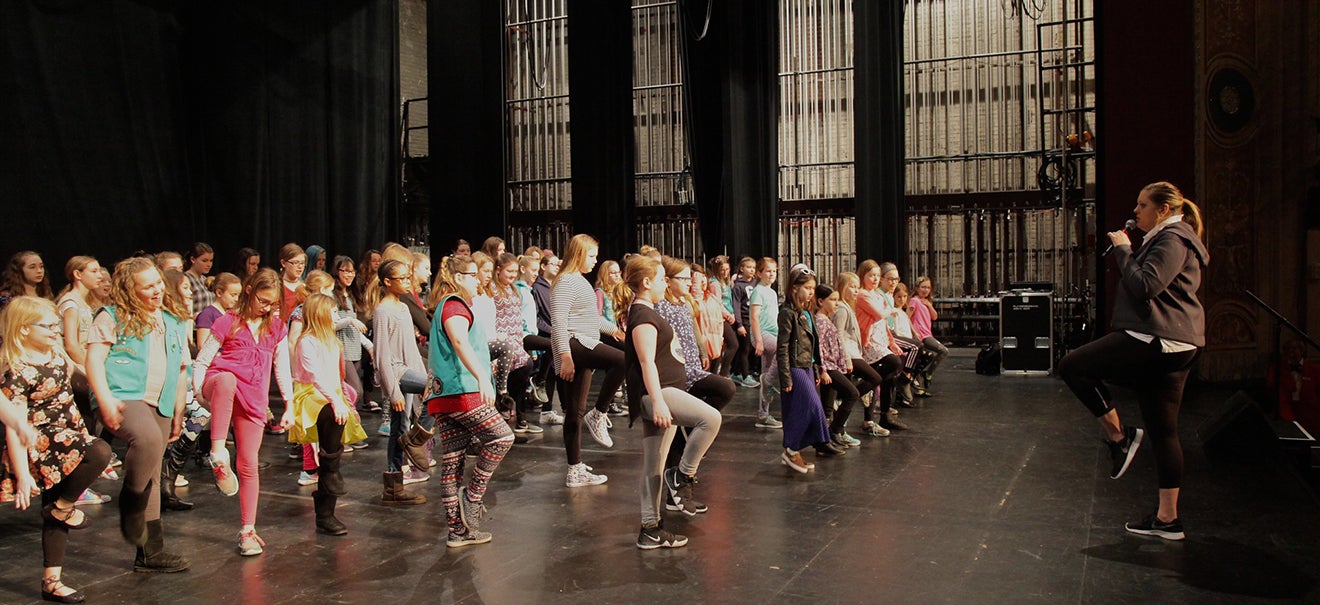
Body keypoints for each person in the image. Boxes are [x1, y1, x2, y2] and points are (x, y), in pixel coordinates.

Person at [1057, 181, 1209, 541]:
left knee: (1073, 366)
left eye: (1143, 205)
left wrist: (1124, 251)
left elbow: (1145, 286)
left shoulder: (1173, 239)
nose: (1136, 211)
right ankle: (1168, 520)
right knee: (1163, 430)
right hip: (1172, 341)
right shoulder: (1169, 238)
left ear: (1164, 210)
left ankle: (1120, 437)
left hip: (1156, 337)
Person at [1, 296, 113, 603]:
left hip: (69, 432)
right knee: (100, 451)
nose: (55, 331)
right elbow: (14, 425)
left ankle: (51, 581)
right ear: (24, 329)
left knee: (56, 511)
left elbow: (80, 375)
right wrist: (23, 474)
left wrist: (107, 390)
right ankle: (63, 507)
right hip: (43, 441)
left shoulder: (54, 352)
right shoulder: (17, 370)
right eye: (48, 326)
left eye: (56, 325)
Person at [85, 256, 190, 572]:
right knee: (146, 440)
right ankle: (130, 502)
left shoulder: (172, 319)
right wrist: (105, 400)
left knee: (153, 470)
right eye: (147, 287)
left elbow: (181, 368)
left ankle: (150, 552)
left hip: (161, 400)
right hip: (124, 395)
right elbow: (94, 360)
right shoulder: (112, 316)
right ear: (130, 289)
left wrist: (179, 409)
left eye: (158, 283)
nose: (157, 290)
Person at [615, 255, 721, 549]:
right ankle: (683, 474)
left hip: (663, 391)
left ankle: (650, 528)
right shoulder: (642, 316)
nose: (665, 284)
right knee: (710, 419)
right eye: (662, 279)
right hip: (659, 393)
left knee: (654, 465)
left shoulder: (648, 311)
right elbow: (646, 362)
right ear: (647, 282)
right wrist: (659, 402)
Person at [192, 268, 295, 555]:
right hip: (220, 384)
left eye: (272, 304)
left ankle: (248, 530)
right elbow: (203, 360)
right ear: (249, 291)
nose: (267, 308)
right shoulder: (228, 321)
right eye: (263, 301)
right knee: (227, 379)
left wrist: (289, 404)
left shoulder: (276, 328)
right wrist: (199, 391)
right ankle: (217, 453)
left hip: (252, 397)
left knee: (249, 462)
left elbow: (281, 368)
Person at [424, 255, 515, 547]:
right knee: (502, 437)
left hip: (444, 395)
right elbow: (459, 341)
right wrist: (481, 377)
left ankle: (458, 531)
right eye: (473, 275)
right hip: (461, 391)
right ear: (458, 278)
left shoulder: (448, 305)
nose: (479, 280)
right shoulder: (454, 305)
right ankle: (473, 497)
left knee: (453, 460)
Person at [550, 234, 626, 487]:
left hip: (582, 341)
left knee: (574, 411)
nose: (595, 261)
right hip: (574, 342)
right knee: (622, 361)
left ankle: (575, 469)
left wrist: (615, 331)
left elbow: (591, 318)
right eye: (592, 256)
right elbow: (559, 322)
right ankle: (600, 412)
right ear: (579, 254)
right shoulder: (566, 281)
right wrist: (565, 355)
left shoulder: (579, 281)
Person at [289, 294, 367, 536]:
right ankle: (330, 472)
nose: (336, 317)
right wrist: (335, 401)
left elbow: (337, 377)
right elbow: (314, 376)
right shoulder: (307, 341)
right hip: (310, 395)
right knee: (332, 416)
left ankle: (326, 508)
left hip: (331, 393)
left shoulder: (333, 341)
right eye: (333, 313)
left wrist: (346, 402)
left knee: (333, 437)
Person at [776, 265, 843, 472]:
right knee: (809, 406)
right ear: (794, 288)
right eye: (807, 287)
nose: (811, 292)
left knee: (806, 408)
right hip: (795, 367)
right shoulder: (787, 313)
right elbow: (782, 347)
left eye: (813, 288)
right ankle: (791, 449)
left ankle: (794, 449)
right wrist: (785, 377)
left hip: (806, 366)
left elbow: (813, 346)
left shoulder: (807, 312)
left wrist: (817, 369)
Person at [372, 260, 429, 505]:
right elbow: (382, 355)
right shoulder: (382, 311)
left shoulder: (404, 308)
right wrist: (393, 392)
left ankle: (393, 488)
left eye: (408, 277)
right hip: (396, 373)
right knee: (440, 388)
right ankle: (416, 439)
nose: (407, 282)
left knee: (399, 427)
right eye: (402, 278)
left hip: (408, 370)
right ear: (387, 282)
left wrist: (423, 378)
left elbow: (411, 350)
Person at [832, 272, 891, 437]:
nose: (856, 290)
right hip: (849, 354)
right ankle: (838, 422)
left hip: (854, 352)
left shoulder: (848, 307)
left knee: (859, 386)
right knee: (874, 378)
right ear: (842, 287)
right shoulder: (842, 309)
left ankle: (840, 428)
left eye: (857, 287)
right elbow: (839, 335)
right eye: (852, 287)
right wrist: (846, 358)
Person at [749, 258, 783, 428]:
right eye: (768, 271)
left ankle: (763, 415)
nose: (772, 274)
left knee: (767, 370)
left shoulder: (772, 292)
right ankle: (768, 381)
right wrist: (759, 340)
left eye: (774, 271)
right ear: (759, 273)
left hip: (772, 333)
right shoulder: (758, 291)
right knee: (781, 351)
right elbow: (754, 317)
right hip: (763, 334)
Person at [1270, 340, 1320, 435]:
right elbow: (1277, 394)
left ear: (1302, 351)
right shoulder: (1277, 370)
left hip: (1311, 420)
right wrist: (1290, 421)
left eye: (1294, 348)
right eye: (1288, 349)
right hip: (1287, 418)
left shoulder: (1315, 370)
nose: (1291, 351)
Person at [907, 276, 948, 394]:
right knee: (943, 350)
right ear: (917, 288)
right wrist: (914, 332)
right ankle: (927, 374)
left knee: (922, 360)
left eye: (928, 288)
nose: (926, 290)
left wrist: (929, 305)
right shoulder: (914, 301)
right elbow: (907, 317)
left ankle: (922, 381)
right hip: (921, 335)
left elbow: (935, 317)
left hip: (927, 333)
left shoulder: (927, 302)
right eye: (923, 287)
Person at [729, 256, 759, 387]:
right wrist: (739, 324)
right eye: (748, 267)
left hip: (754, 319)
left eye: (753, 267)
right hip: (745, 319)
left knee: (751, 347)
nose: (752, 270)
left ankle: (737, 372)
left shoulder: (756, 283)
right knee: (745, 348)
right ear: (741, 269)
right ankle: (746, 375)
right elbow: (736, 306)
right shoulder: (738, 286)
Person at [184, 243, 215, 319]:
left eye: (211, 261)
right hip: (195, 324)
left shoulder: (205, 279)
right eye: (204, 261)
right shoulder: (186, 279)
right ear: (193, 259)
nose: (209, 264)